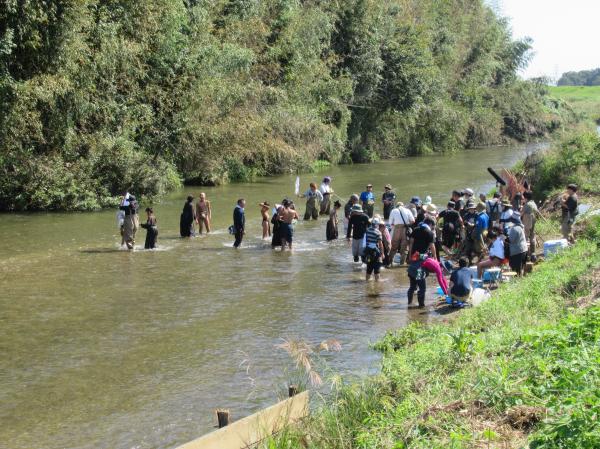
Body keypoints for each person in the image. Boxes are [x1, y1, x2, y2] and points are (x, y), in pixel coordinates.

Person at [388, 201, 415, 265]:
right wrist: (407, 225)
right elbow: (413, 221)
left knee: (394, 246)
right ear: (403, 206)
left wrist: (395, 225)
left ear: (397, 206)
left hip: (397, 229)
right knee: (405, 247)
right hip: (405, 230)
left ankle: (390, 262)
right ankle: (402, 263)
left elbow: (390, 222)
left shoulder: (393, 210)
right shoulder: (407, 210)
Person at [520, 191, 539, 257]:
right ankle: (533, 253)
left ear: (525, 197)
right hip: (533, 221)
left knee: (526, 236)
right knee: (532, 236)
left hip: (527, 221)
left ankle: (526, 254)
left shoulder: (527, 204)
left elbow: (521, 214)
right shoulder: (533, 203)